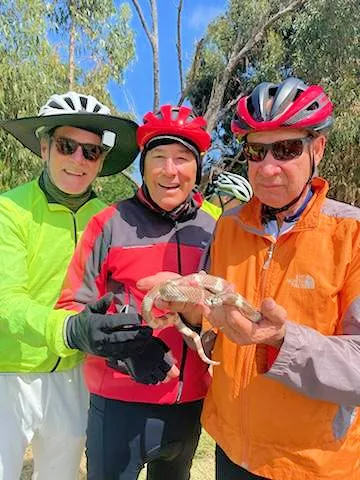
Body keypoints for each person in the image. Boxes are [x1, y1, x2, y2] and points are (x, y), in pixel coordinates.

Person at [145, 77, 360, 480]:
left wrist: (282, 339)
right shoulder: (227, 227)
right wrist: (190, 312)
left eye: (286, 149)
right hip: (230, 451)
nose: (267, 167)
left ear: (318, 148)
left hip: (314, 465)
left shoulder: (351, 235)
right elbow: (216, 323)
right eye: (256, 151)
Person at [54, 104, 216, 480]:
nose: (170, 170)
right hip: (118, 404)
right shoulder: (108, 223)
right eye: (158, 157)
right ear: (143, 166)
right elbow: (71, 306)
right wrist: (123, 349)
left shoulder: (214, 228)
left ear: (197, 169)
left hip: (189, 404)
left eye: (182, 158)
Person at [0, 91, 139, 480]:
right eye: (67, 146)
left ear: (101, 161)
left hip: (76, 375)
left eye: (91, 152)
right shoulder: (8, 209)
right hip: (7, 371)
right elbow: (7, 301)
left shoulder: (111, 219)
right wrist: (69, 328)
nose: (78, 160)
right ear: (44, 147)